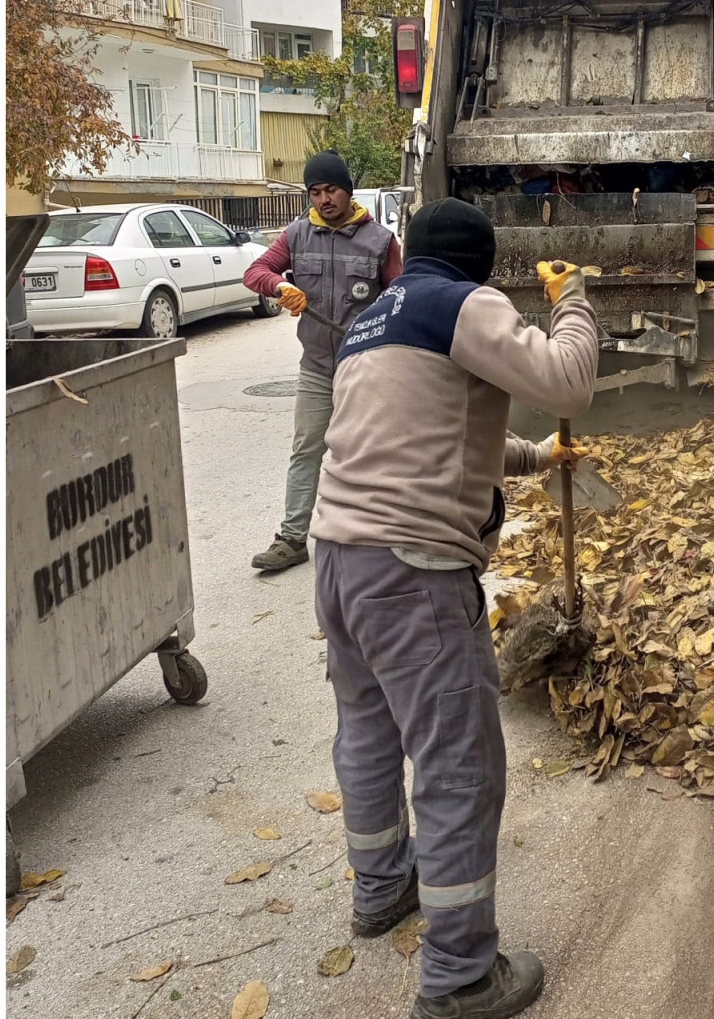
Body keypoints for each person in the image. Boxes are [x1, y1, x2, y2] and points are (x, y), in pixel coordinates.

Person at [311, 198, 598, 1019]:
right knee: (458, 767)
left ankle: (380, 890)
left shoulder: (374, 319)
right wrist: (571, 298)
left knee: (368, 736)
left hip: (339, 562)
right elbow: (568, 377)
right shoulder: (465, 303)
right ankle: (461, 976)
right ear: (482, 265)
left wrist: (538, 456)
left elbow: (432, 435)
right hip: (411, 575)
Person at [243, 150, 402, 572]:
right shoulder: (296, 235)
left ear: (347, 190)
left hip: (364, 366)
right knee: (306, 448)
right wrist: (279, 286)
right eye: (315, 192)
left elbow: (402, 295)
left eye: (331, 189)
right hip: (315, 365)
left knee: (369, 451)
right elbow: (255, 271)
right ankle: (292, 539)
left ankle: (376, 536)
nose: (324, 199)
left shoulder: (380, 241)